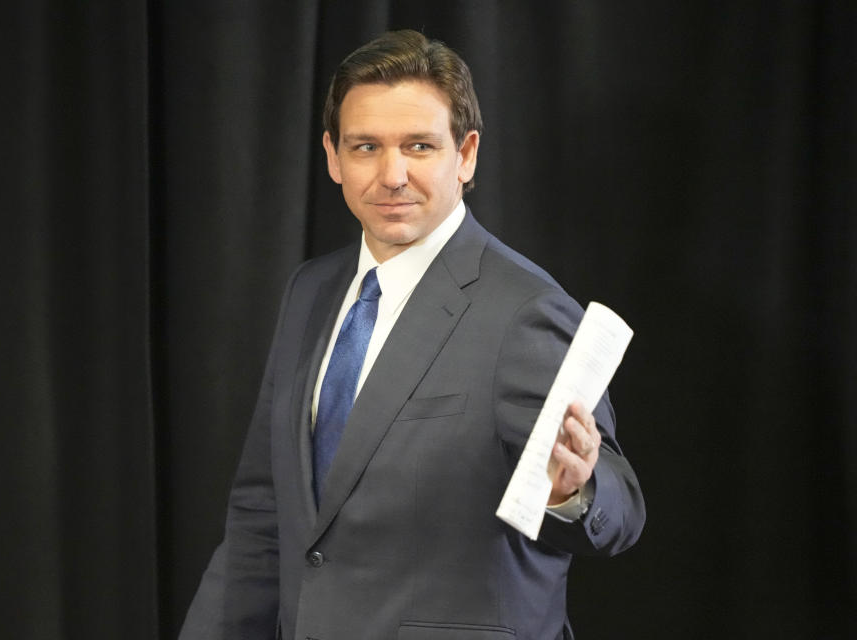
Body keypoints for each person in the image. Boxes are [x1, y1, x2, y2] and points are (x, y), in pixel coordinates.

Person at [180, 29, 645, 640]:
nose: (391, 174)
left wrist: (574, 489)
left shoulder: (527, 312)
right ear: (332, 156)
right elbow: (264, 515)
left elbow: (621, 508)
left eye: (419, 146)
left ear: (467, 154)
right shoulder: (310, 291)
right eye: (366, 146)